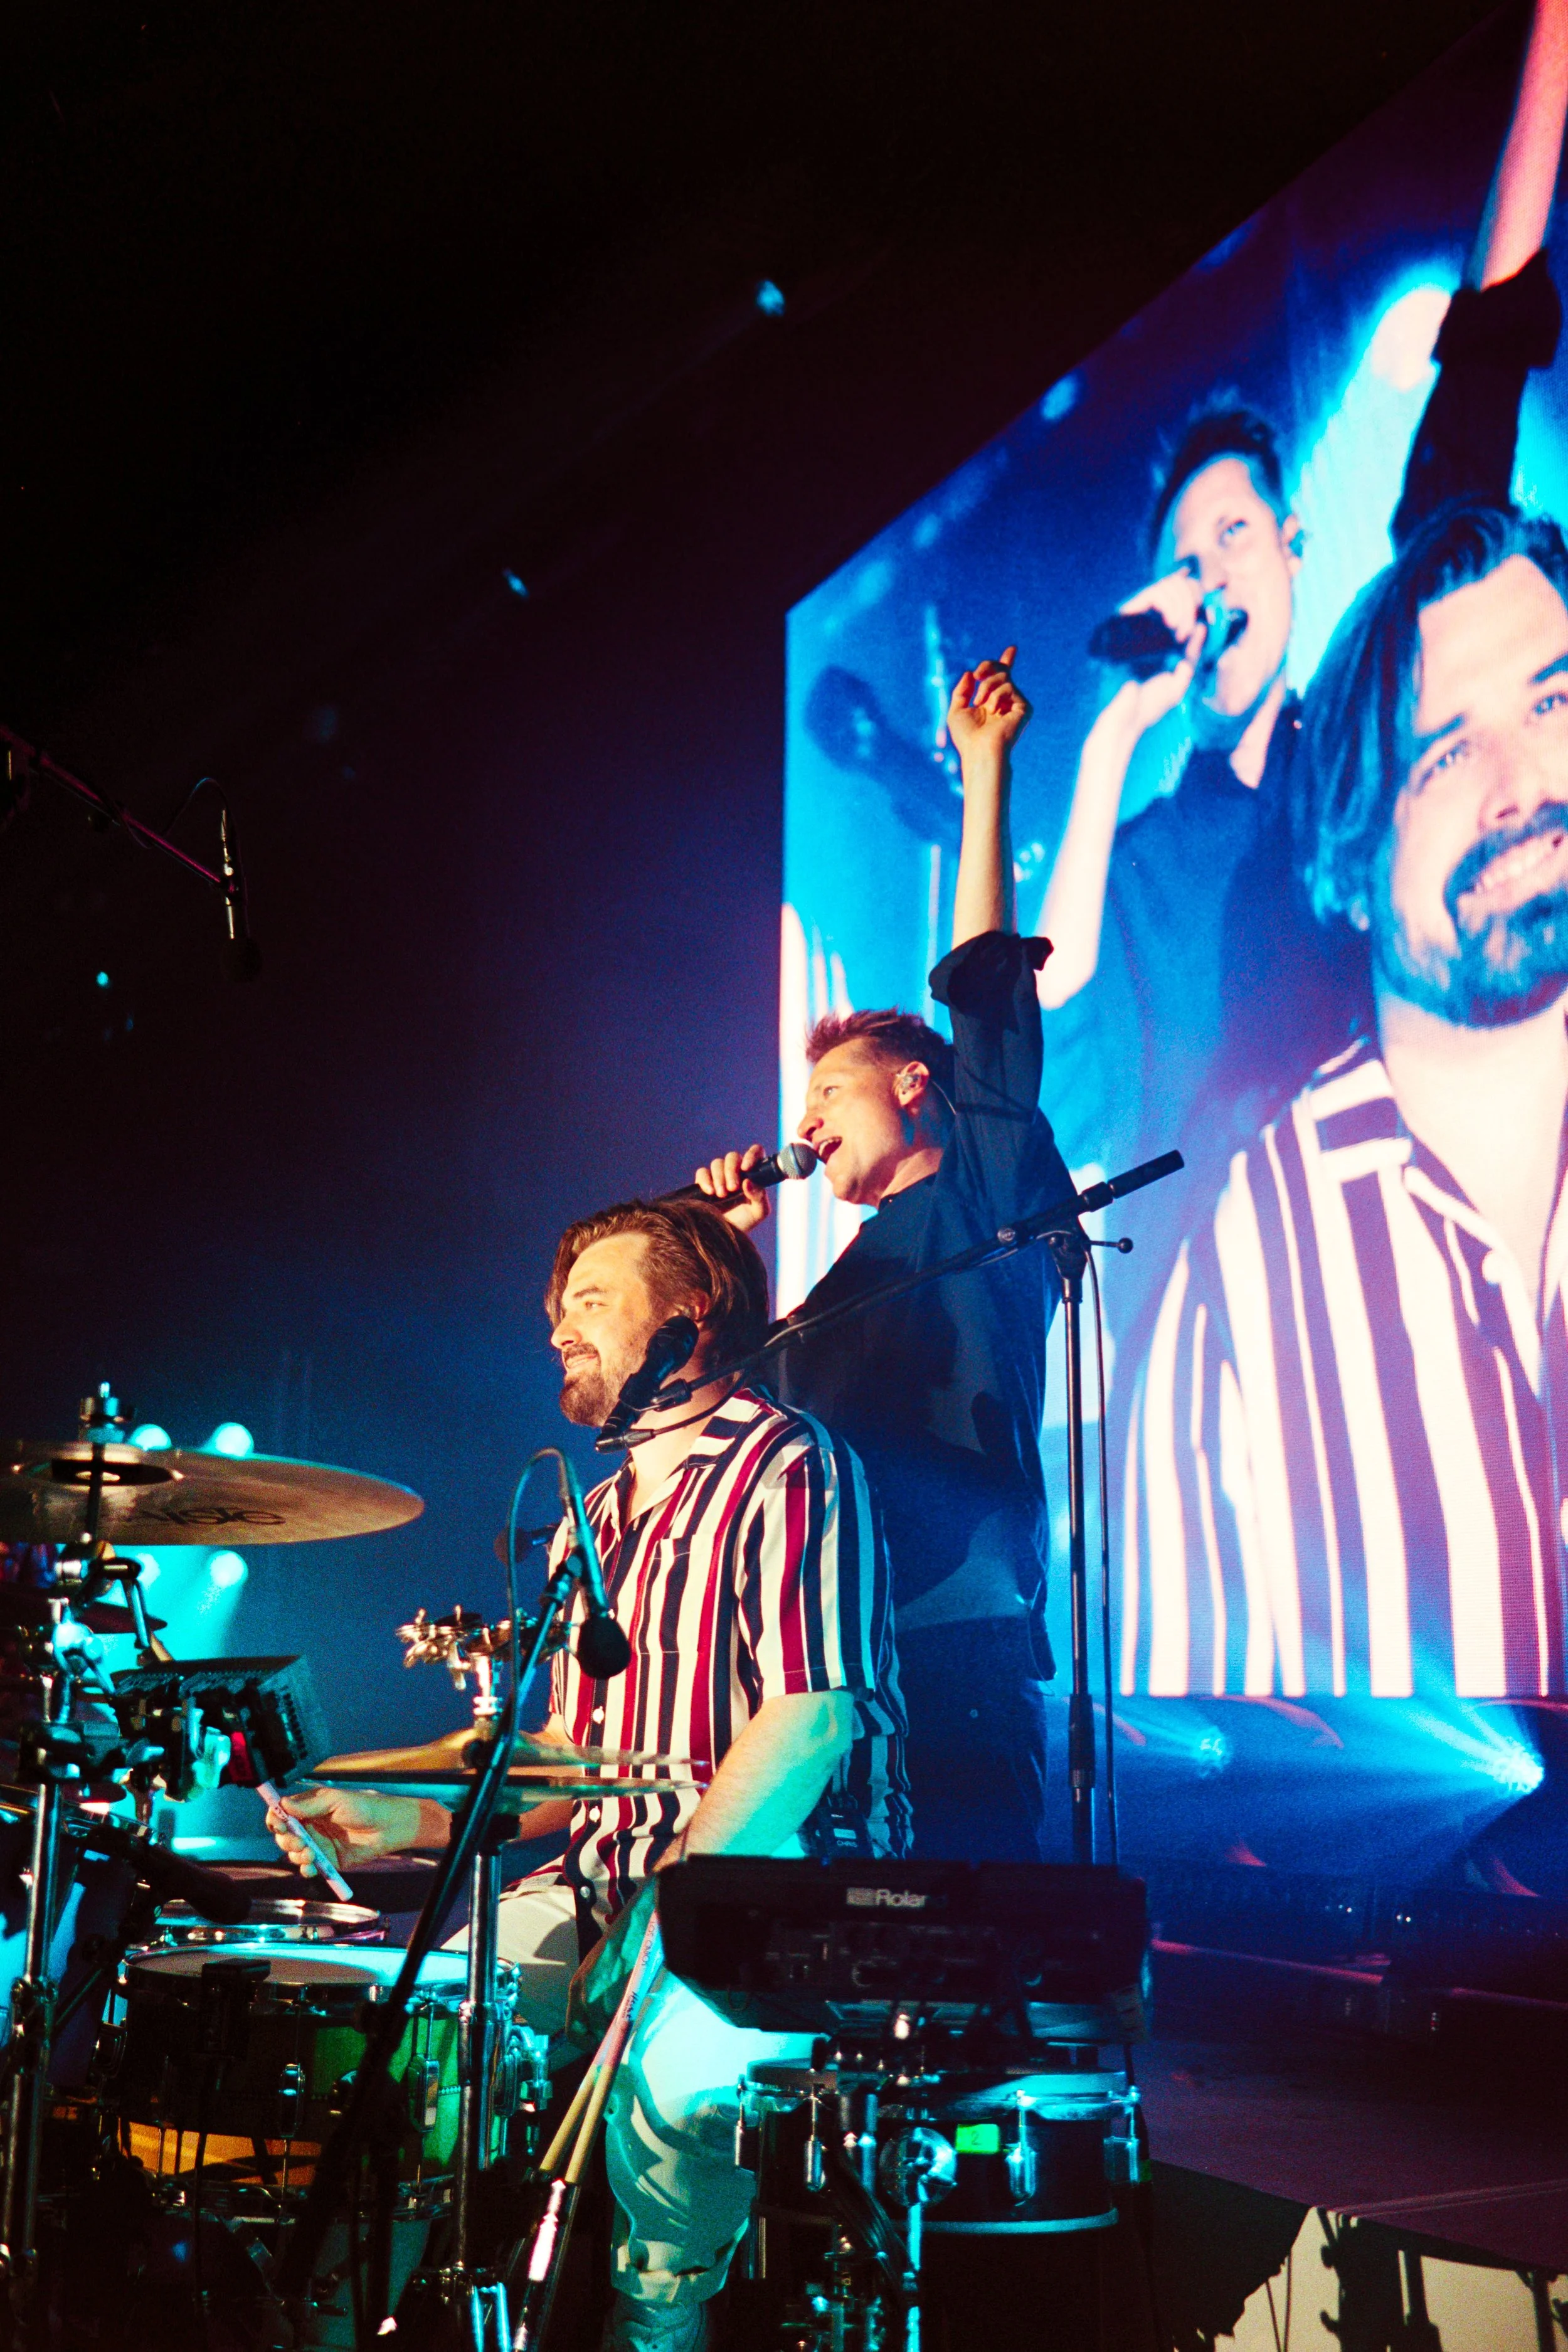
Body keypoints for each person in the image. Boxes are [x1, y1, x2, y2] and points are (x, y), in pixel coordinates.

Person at [269, 1197, 906, 2352]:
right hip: (605, 1882)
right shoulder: (593, 1518)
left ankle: (663, 2321)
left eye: (593, 1304)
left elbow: (816, 1719)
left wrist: (673, 1895)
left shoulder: (793, 1465)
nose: (561, 1329)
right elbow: (568, 1766)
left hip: (773, 1903)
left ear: (691, 1316)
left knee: (666, 2102)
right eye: (559, 1312)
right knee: (416, 2040)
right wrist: (400, 1823)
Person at [1032, 0, 1568, 1197]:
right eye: (1187, 554)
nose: (1213, 570)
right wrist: (1114, 735)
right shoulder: (1139, 863)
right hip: (1249, 1319)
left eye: (1235, 533)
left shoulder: (1364, 742)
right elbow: (1040, 1075)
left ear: (1292, 547)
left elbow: (1480, 365)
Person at [1121, 498, 1568, 1700]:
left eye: (1552, 702)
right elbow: (1212, 1848)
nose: (1522, 786)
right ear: (1354, 861)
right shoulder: (1241, 1285)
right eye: (1445, 751)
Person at [697, 649, 1074, 1864]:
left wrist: (983, 770)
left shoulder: (985, 1188)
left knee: (969, 1945)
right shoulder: (839, 1283)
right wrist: (721, 1252)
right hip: (831, 1646)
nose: (801, 1117)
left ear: (915, 1087)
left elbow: (985, 999)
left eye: (827, 1089)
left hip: (954, 1628)